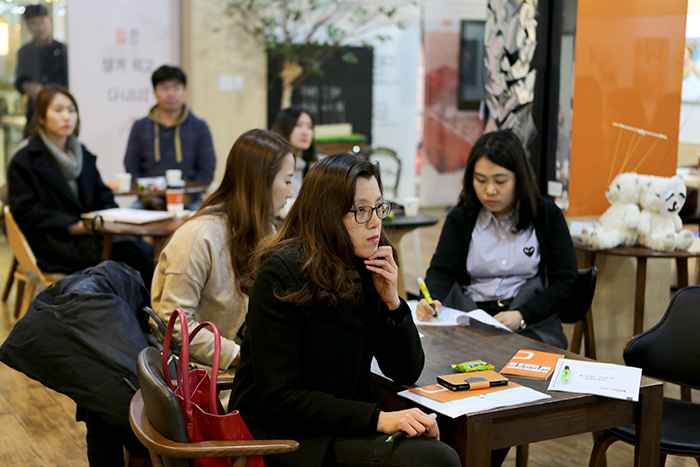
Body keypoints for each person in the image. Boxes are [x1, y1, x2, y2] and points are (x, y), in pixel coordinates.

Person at [227, 153, 461, 467]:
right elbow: (281, 399)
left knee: (445, 434)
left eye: (378, 207)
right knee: (438, 457)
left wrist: (392, 302)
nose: (375, 221)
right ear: (327, 215)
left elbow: (406, 371)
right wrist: (378, 419)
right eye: (360, 211)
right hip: (287, 440)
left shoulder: (366, 265)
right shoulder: (282, 273)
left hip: (342, 426)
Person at [417, 129, 577, 349]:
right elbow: (441, 272)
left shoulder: (547, 216)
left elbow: (565, 281)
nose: (489, 190)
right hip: (471, 319)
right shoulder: (460, 219)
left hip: (530, 322)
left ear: (519, 179)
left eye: (500, 181)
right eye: (480, 180)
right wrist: (430, 299)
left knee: (519, 361)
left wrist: (522, 315)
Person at [151, 129, 295, 371]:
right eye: (287, 181)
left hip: (247, 366)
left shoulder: (267, 230)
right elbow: (174, 324)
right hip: (205, 377)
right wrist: (240, 356)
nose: (290, 193)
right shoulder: (198, 236)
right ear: (260, 181)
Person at [7, 84, 154, 286]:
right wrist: (71, 226)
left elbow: (103, 196)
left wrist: (111, 219)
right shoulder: (25, 159)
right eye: (58, 110)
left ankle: (141, 306)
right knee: (126, 258)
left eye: (71, 110)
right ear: (41, 117)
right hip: (52, 240)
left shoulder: (82, 153)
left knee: (142, 250)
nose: (66, 117)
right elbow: (25, 212)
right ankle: (128, 305)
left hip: (89, 235)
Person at [124, 65, 216, 210]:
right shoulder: (140, 127)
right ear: (155, 92)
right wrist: (149, 199)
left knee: (203, 222)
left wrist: (182, 199)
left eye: (176, 88)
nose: (171, 94)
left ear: (184, 91)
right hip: (148, 199)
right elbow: (131, 168)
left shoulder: (199, 127)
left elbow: (207, 171)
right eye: (165, 88)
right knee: (126, 221)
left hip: (189, 200)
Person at [15, 4, 68, 137]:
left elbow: (68, 81)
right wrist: (27, 86)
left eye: (42, 21)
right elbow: (19, 79)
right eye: (34, 23)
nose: (40, 27)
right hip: (34, 111)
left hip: (58, 110)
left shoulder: (63, 50)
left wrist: (45, 90)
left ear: (50, 21)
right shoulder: (25, 52)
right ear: (27, 26)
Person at [271, 106, 317, 197]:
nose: (305, 132)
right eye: (298, 125)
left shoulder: (319, 165)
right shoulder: (273, 165)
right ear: (284, 128)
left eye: (309, 127)